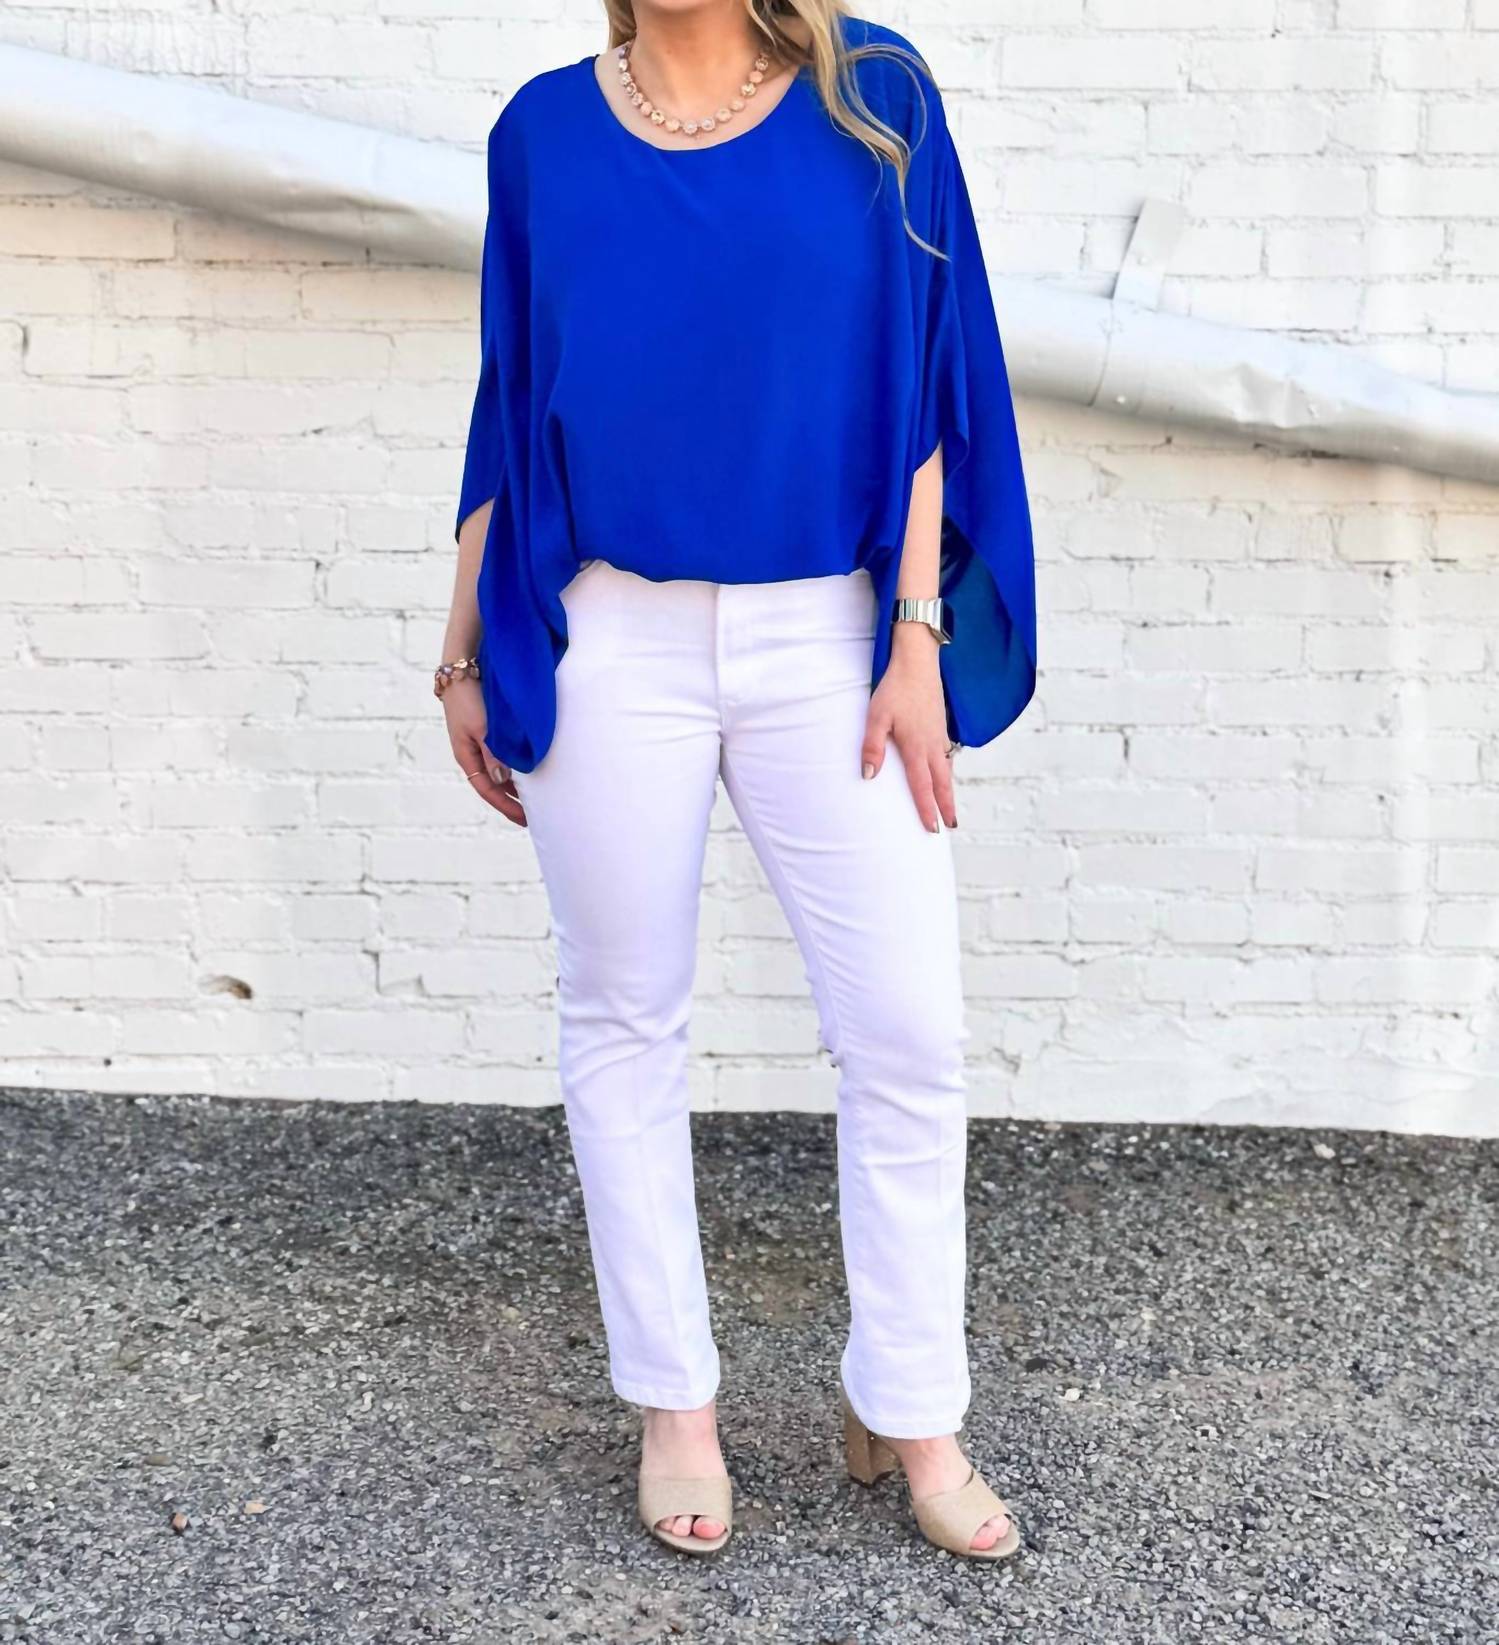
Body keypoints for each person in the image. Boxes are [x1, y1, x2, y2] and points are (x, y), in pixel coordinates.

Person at [438, 0, 1037, 1562]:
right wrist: (461, 639)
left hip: (829, 630)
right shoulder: (543, 133)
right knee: (623, 1013)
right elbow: (512, 395)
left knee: (907, 1028)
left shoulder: (872, 96)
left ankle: (910, 1405)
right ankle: (675, 1404)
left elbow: (923, 376)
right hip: (610, 633)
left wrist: (917, 630)